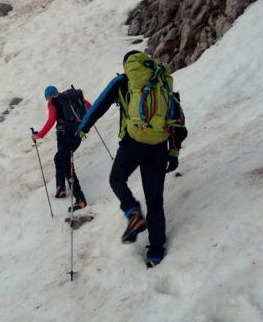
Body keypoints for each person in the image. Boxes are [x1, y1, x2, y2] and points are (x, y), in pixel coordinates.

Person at [76, 51, 186, 268]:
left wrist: (80, 132)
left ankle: (133, 212)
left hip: (132, 143)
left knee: (116, 179)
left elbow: (97, 107)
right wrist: (173, 152)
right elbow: (177, 119)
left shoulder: (123, 81)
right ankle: (155, 253)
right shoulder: (161, 80)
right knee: (155, 200)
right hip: (159, 147)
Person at [32, 85, 91, 210]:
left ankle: (80, 199)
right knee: (58, 158)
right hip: (77, 135)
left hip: (64, 137)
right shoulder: (70, 97)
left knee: (67, 166)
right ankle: (61, 188)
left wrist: (40, 134)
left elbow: (51, 119)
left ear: (48, 97)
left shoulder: (54, 102)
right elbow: (88, 106)